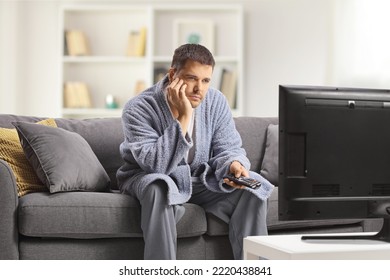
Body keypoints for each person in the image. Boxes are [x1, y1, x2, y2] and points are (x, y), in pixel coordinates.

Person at [117, 44, 274, 260]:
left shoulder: (216, 101)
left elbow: (228, 148)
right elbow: (156, 165)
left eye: (206, 80)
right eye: (192, 78)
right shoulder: (138, 108)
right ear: (173, 74)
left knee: (253, 188)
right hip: (148, 177)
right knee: (158, 186)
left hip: (199, 179)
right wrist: (184, 117)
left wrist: (233, 164)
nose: (199, 89)